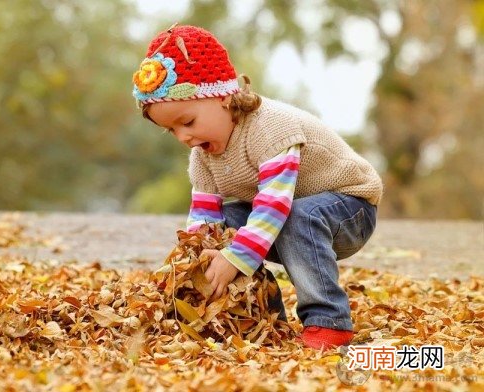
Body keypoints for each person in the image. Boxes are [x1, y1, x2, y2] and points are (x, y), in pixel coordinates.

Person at [131, 23, 383, 349]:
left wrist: (235, 258)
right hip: (290, 214)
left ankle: (328, 320)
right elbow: (204, 220)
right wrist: (201, 257)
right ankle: (268, 318)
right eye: (172, 131)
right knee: (227, 223)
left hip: (349, 208)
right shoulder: (202, 157)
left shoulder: (271, 128)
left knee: (296, 216)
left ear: (222, 96)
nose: (184, 137)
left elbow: (274, 205)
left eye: (188, 122)